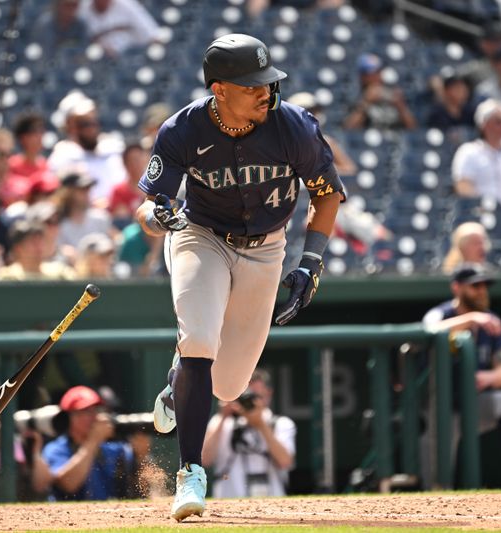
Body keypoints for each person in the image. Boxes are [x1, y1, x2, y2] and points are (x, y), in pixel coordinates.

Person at [135, 33, 342, 521]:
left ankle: (176, 382)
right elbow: (149, 206)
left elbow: (328, 193)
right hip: (199, 236)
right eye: (252, 86)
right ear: (219, 88)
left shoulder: (292, 126)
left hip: (266, 248)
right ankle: (191, 473)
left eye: (268, 83)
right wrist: (157, 216)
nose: (265, 92)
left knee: (228, 386)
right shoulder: (182, 129)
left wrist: (310, 262)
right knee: (200, 342)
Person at [422, 263, 501, 489]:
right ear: (457, 288)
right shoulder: (443, 313)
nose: (482, 291)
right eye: (475, 286)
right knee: (435, 485)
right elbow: (429, 328)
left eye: (484, 286)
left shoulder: (490, 321)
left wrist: (488, 377)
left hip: (472, 405)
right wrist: (472, 318)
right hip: (437, 411)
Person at [201, 368, 296, 498]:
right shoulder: (221, 422)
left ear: (268, 394)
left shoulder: (280, 423)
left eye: (255, 397)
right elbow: (204, 460)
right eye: (244, 398)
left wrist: (261, 425)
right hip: (229, 503)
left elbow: (285, 462)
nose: (249, 403)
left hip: (272, 501)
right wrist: (223, 416)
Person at [42, 385, 135, 501]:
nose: (93, 416)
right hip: (67, 517)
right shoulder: (55, 449)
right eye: (85, 411)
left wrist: (140, 454)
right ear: (69, 417)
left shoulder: (111, 449)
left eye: (96, 410)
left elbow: (138, 481)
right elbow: (68, 484)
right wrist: (93, 440)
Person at [48, 95, 127, 206]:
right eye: (84, 123)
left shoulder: (113, 147)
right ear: (69, 125)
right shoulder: (62, 155)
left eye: (93, 122)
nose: (91, 128)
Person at [342, 53, 417, 131]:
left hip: (395, 139)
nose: (376, 76)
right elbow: (348, 128)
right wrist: (366, 102)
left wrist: (401, 107)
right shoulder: (355, 95)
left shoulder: (391, 92)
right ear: (363, 77)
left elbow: (413, 129)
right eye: (372, 73)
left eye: (378, 72)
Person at [54, 169, 114, 259]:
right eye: (82, 190)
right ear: (67, 192)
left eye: (88, 189)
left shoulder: (101, 219)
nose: (87, 194)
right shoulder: (54, 223)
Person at [0, 220, 75, 280]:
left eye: (40, 241)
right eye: (33, 242)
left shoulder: (60, 273)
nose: (39, 247)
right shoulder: (7, 276)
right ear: (18, 248)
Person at [78, 0, 160, 58]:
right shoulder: (83, 8)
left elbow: (152, 34)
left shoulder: (127, 5)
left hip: (133, 55)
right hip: (102, 58)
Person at [5, 112, 53, 207]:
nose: (40, 136)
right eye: (35, 132)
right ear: (23, 137)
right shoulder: (11, 165)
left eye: (41, 131)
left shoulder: (45, 165)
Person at [109, 140, 149, 228]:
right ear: (125, 164)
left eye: (140, 159)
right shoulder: (119, 191)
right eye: (134, 160)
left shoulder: (155, 187)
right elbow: (122, 219)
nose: (137, 164)